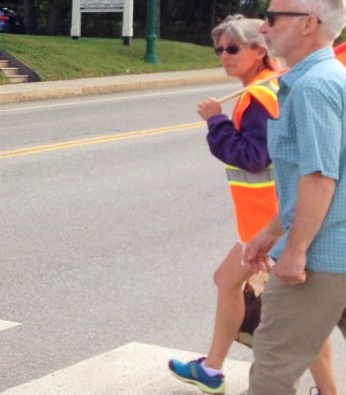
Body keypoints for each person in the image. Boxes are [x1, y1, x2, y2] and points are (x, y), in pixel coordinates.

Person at [168, 14, 336, 395]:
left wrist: (216, 123)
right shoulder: (259, 91)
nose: (223, 55)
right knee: (231, 283)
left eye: (232, 48)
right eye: (219, 49)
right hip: (264, 226)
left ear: (259, 51)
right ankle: (212, 368)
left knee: (299, 321)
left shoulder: (261, 96)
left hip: (276, 226)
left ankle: (325, 391)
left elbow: (255, 157)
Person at [244, 0, 346, 393]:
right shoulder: (333, 77)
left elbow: (320, 177)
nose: (264, 29)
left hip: (320, 259)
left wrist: (295, 249)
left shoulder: (312, 87)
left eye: (272, 18)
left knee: (272, 370)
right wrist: (272, 233)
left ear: (308, 24)